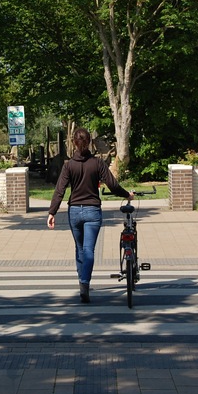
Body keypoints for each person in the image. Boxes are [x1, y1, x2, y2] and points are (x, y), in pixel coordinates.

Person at [47, 128, 133, 303]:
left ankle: (83, 284)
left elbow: (59, 191)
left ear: (74, 143)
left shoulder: (68, 165)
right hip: (92, 211)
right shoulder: (97, 163)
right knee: (88, 250)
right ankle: (84, 283)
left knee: (80, 249)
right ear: (90, 143)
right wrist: (127, 195)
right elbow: (113, 185)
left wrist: (52, 212)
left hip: (74, 212)